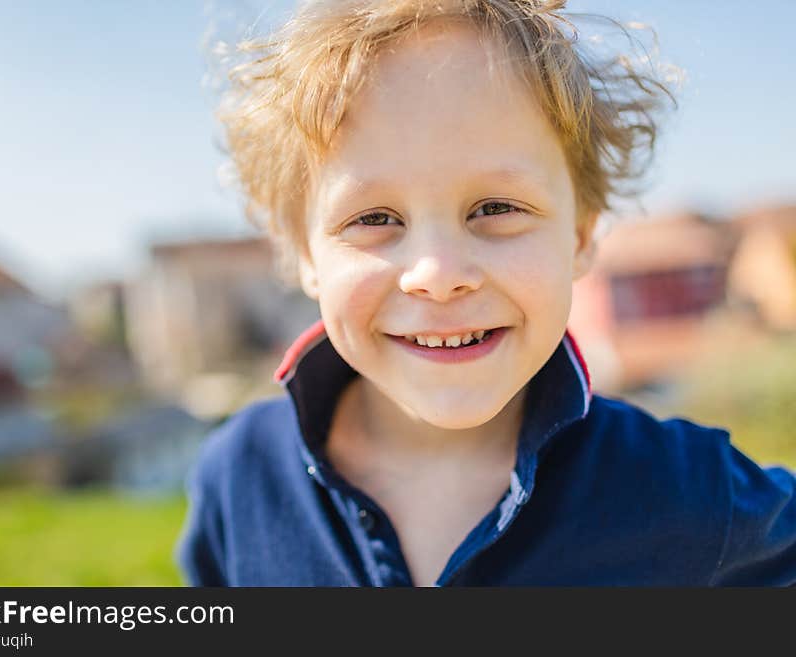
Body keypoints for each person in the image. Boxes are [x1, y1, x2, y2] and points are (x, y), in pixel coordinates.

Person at [177, 0, 796, 586]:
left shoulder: (693, 494)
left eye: (495, 207)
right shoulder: (238, 476)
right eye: (373, 218)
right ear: (307, 253)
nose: (440, 272)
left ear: (580, 235)